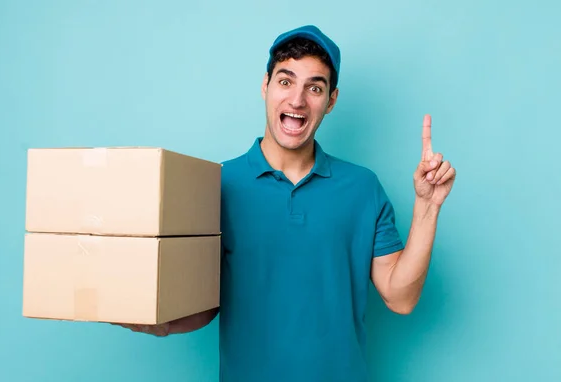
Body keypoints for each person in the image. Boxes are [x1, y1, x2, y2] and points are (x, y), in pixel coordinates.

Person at [119, 25, 456, 381]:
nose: (297, 100)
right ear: (265, 86)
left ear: (332, 100)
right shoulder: (215, 184)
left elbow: (400, 298)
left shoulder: (363, 188)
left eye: (314, 87)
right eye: (285, 81)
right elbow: (205, 304)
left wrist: (428, 206)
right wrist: (163, 323)